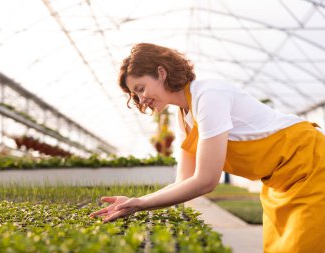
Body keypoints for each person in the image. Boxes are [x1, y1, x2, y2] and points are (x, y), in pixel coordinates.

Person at [89, 43, 325, 252]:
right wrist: (136, 201)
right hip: (278, 183)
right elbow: (184, 181)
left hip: (310, 165)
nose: (140, 100)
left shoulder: (208, 95)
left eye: (140, 88)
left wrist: (140, 204)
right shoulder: (183, 116)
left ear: (161, 72)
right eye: (135, 95)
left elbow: (206, 180)